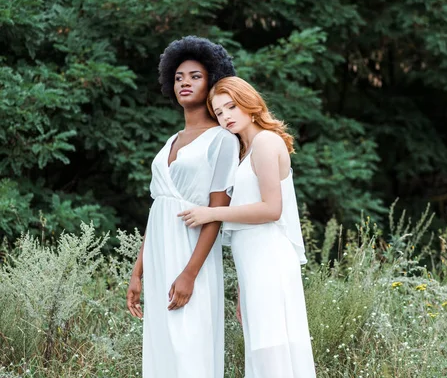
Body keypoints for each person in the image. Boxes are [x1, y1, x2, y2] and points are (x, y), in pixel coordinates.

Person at [178, 77, 316, 378]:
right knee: (261, 349)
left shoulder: (266, 142)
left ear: (250, 106)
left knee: (273, 348)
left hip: (270, 259)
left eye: (231, 106)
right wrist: (243, 286)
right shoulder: (246, 150)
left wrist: (211, 213)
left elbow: (271, 209)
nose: (226, 116)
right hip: (254, 264)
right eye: (219, 112)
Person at [126, 36, 239, 378]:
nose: (185, 82)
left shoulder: (222, 140)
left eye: (195, 76)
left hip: (193, 258)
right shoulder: (170, 141)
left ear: (212, 82)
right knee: (163, 347)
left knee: (190, 345)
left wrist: (190, 274)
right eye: (178, 77)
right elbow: (159, 208)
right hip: (160, 257)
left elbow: (217, 213)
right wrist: (138, 270)